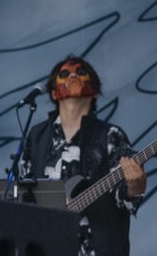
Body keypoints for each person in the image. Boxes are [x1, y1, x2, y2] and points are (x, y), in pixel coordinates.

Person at [18, 56, 147, 256]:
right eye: (64, 74)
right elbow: (22, 198)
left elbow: (125, 201)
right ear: (54, 93)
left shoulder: (111, 135)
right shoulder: (36, 137)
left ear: (93, 91)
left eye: (80, 72)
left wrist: (135, 187)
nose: (73, 75)